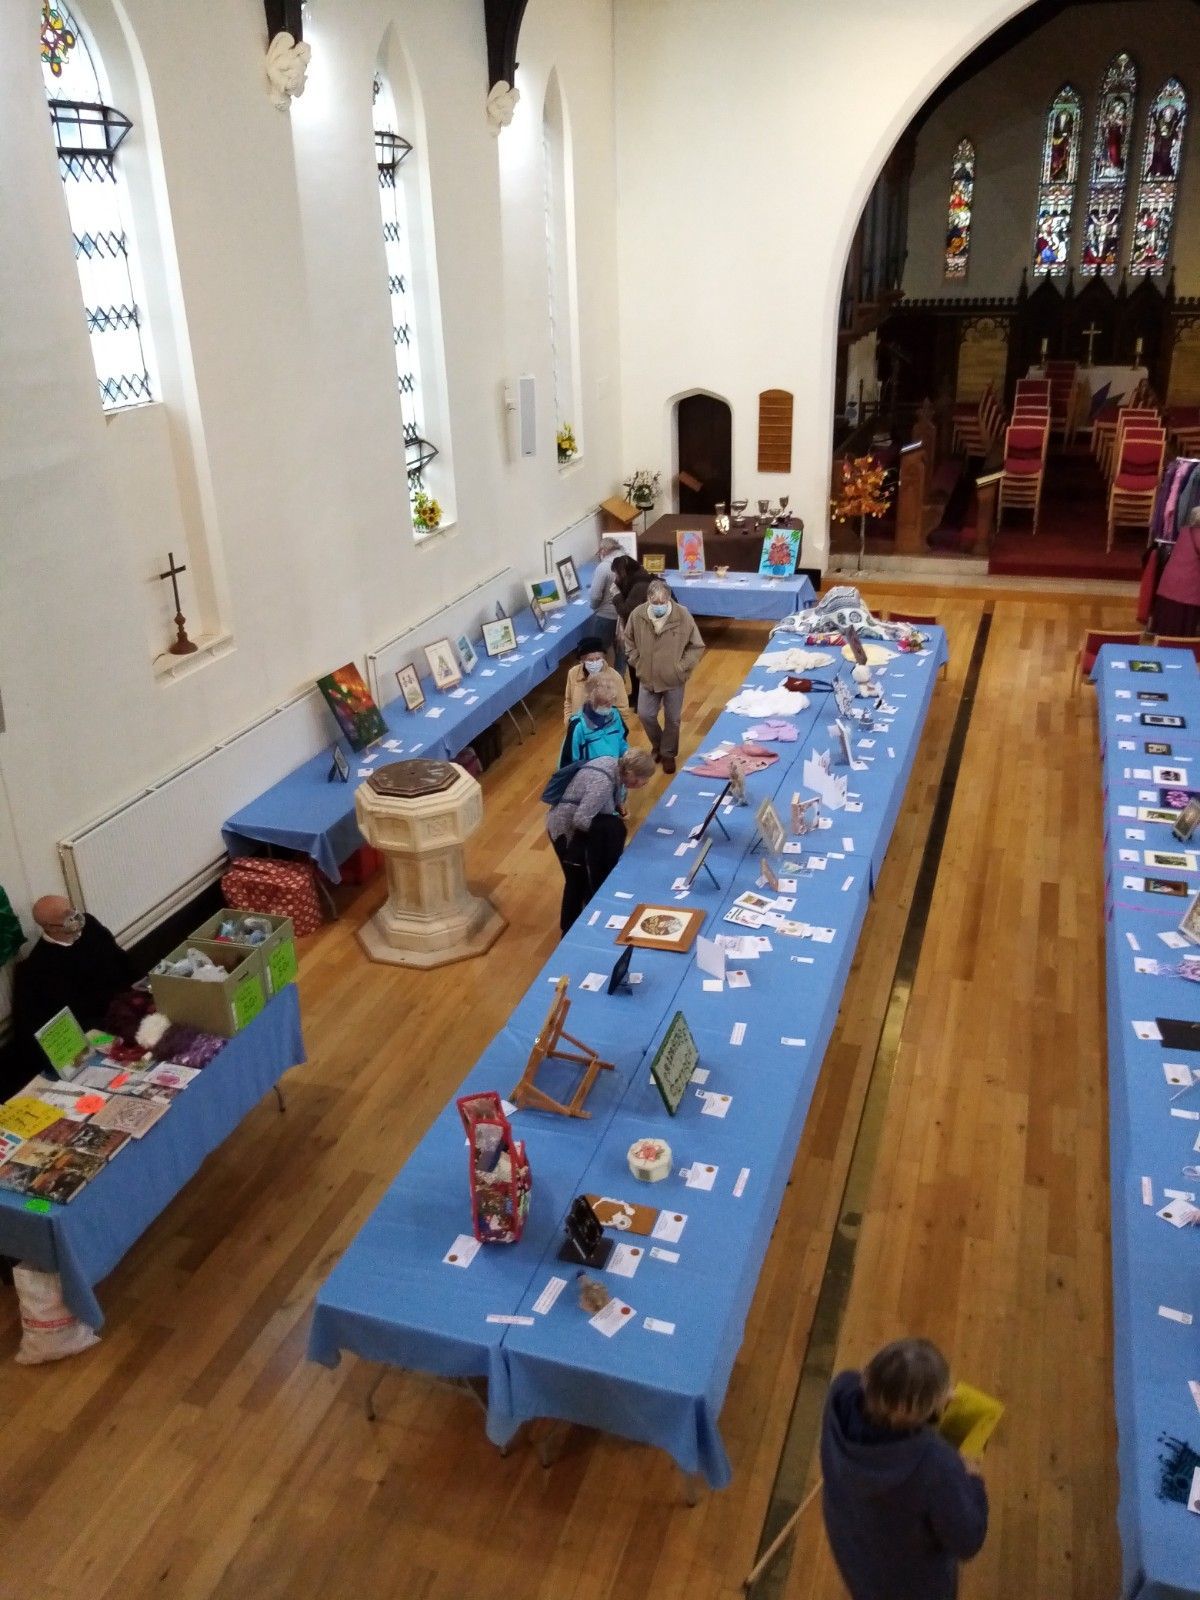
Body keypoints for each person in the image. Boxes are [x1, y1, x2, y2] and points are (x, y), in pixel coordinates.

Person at [820, 1338, 988, 1600]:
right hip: (910, 1584)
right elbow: (968, 1540)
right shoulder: (934, 1464)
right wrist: (973, 1479)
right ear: (930, 1407)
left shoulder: (840, 1392)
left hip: (853, 1549)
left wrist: (928, 1404)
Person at [10, 897, 136, 1069]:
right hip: (97, 1033)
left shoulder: (91, 927)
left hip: (129, 1008)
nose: (77, 921)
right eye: (68, 918)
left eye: (74, 912)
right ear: (49, 927)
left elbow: (124, 964)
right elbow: (61, 1026)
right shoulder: (37, 968)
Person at [546, 749, 655, 932]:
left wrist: (617, 806)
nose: (643, 784)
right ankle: (569, 931)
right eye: (641, 779)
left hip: (574, 827)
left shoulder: (613, 763)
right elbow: (581, 819)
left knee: (584, 882)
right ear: (629, 773)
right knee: (576, 882)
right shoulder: (602, 783)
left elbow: (613, 789)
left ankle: (587, 922)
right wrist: (607, 831)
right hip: (566, 833)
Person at [622, 578, 704, 774]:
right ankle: (659, 745)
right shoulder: (637, 615)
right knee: (645, 714)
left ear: (668, 599)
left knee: (673, 719)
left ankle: (668, 754)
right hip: (647, 677)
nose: (659, 605)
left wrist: (681, 667)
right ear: (648, 599)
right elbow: (628, 640)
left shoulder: (682, 615)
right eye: (655, 602)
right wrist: (637, 661)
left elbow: (696, 646)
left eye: (662, 602)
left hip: (674, 678)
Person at [611, 554, 655, 707]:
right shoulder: (636, 579)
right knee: (633, 663)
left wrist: (616, 595)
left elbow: (626, 610)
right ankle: (636, 696)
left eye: (617, 574)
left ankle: (642, 700)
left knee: (639, 666)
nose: (616, 578)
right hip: (637, 631)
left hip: (643, 632)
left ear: (623, 571)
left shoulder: (640, 585)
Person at [1153, 507, 1200, 637]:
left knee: (1167, 627)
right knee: (1182, 631)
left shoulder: (1184, 532)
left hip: (1169, 584)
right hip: (1187, 590)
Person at [562, 636, 629, 724]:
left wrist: (612, 729)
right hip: (578, 727)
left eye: (598, 659)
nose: (595, 663)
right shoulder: (573, 673)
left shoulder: (614, 677)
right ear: (582, 661)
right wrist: (569, 723)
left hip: (605, 729)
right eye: (590, 660)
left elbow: (623, 709)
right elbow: (568, 702)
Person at [560, 681, 629, 767]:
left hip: (614, 769)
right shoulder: (578, 726)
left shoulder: (615, 714)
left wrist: (626, 756)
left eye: (611, 702)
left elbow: (622, 741)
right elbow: (567, 764)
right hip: (590, 772)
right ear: (592, 701)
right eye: (605, 703)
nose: (609, 707)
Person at [589, 537, 626, 663]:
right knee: (621, 650)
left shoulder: (603, 567)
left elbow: (595, 596)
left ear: (604, 550)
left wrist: (594, 607)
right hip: (624, 615)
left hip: (606, 616)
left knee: (598, 652)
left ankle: (599, 674)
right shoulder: (628, 561)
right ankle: (620, 674)